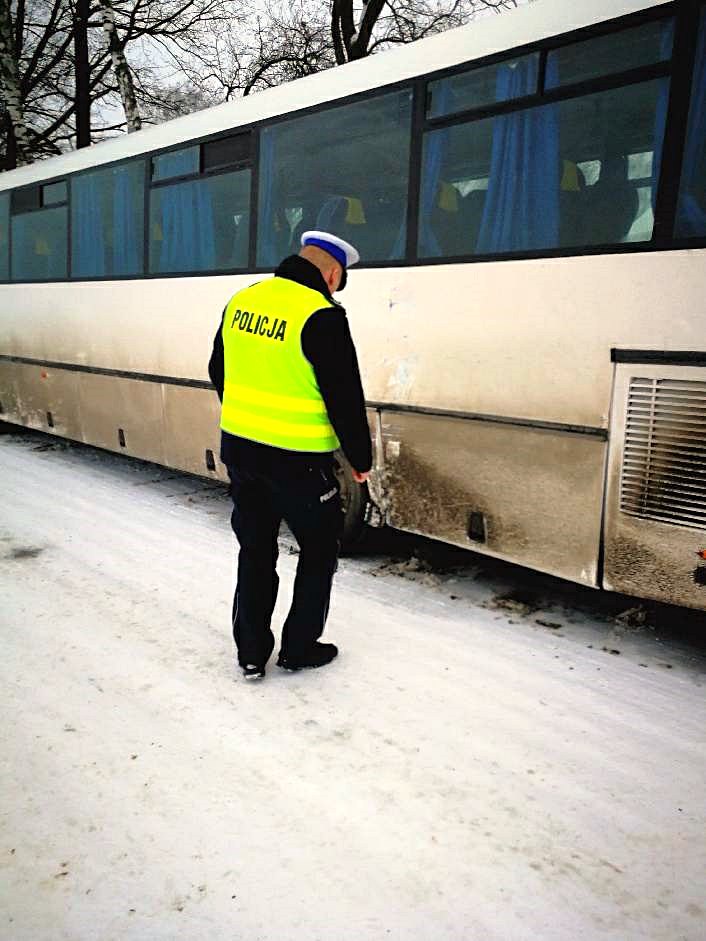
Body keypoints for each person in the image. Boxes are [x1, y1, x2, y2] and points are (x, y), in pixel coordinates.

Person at [208, 230, 372, 681]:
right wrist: (360, 460)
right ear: (333, 273)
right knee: (319, 551)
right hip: (299, 462)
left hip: (241, 452)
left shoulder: (244, 299)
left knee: (256, 551)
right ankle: (299, 647)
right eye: (340, 280)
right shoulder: (322, 314)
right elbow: (344, 397)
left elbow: (217, 368)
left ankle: (250, 653)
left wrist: (246, 417)